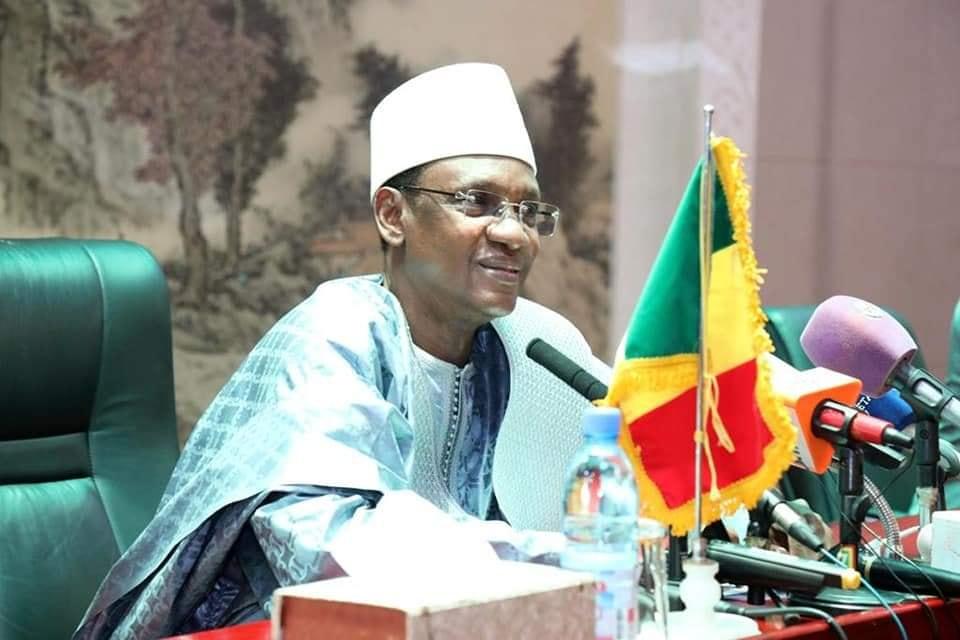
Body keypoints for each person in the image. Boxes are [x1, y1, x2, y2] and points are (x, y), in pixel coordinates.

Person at [74, 62, 610, 638]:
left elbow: (627, 475)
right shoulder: (334, 334)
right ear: (392, 215)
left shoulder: (533, 345)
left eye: (529, 212)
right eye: (477, 202)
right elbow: (332, 552)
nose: (514, 234)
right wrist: (563, 557)